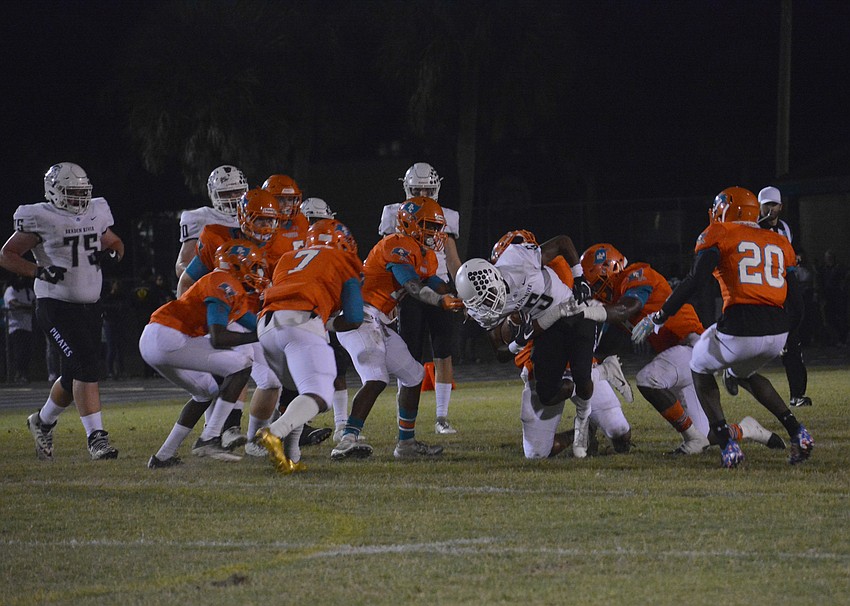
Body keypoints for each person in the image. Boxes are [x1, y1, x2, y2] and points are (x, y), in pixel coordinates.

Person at [631, 186, 813, 468]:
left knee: (699, 368)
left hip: (741, 325)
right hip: (778, 330)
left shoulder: (719, 233)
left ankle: (727, 444)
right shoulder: (779, 241)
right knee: (744, 373)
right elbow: (797, 302)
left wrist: (659, 316)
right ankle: (797, 431)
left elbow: (694, 281)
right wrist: (789, 333)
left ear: (729, 209)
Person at [579, 242, 785, 454]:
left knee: (648, 379)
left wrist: (594, 311)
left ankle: (691, 438)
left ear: (611, 268)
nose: (596, 291)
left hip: (691, 345)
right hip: (679, 357)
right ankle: (749, 429)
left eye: (597, 284)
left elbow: (630, 306)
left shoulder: (636, 274)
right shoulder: (612, 302)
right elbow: (604, 343)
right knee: (708, 435)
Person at [0, 162, 123, 460]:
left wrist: (113, 254)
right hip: (55, 305)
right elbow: (7, 254)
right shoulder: (42, 217)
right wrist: (38, 271)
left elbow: (115, 242)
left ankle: (42, 422)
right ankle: (97, 438)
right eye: (71, 192)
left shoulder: (95, 211)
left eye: (82, 192)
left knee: (73, 375)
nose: (79, 199)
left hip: (90, 306)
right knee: (85, 364)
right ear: (54, 192)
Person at [332, 196, 464, 460]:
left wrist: (466, 296)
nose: (435, 233)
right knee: (376, 377)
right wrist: (441, 301)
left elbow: (439, 284)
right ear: (409, 223)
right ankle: (347, 440)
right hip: (358, 316)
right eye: (428, 225)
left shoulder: (425, 255)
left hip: (378, 321)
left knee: (414, 375)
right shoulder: (396, 243)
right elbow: (413, 286)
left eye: (437, 227)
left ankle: (406, 444)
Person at [456, 231, 599, 458]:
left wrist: (579, 277)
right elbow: (501, 354)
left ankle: (585, 415)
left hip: (571, 311)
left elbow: (562, 241)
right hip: (546, 330)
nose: (491, 303)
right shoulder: (481, 309)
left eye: (490, 295)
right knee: (547, 394)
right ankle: (587, 388)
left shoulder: (516, 260)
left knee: (585, 380)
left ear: (494, 276)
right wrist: (518, 342)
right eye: (483, 302)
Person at [178, 188, 286, 455]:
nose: (265, 226)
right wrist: (189, 318)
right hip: (222, 317)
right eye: (259, 219)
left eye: (270, 220)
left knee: (272, 381)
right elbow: (188, 280)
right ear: (243, 217)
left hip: (253, 319)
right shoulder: (216, 236)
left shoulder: (279, 246)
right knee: (237, 368)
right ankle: (219, 432)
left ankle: (253, 440)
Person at [142, 239, 267, 467]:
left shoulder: (230, 287)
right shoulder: (223, 282)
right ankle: (210, 438)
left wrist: (281, 328)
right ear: (239, 266)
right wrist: (260, 336)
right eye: (255, 266)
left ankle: (163, 456)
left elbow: (258, 326)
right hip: (168, 336)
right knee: (242, 364)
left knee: (205, 390)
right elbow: (219, 337)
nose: (258, 273)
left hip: (157, 338)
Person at [254, 219, 364, 472]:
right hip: (302, 322)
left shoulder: (287, 257)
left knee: (297, 390)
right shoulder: (343, 260)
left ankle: (292, 457)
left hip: (266, 327)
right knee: (320, 394)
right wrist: (331, 324)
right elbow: (356, 317)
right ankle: (274, 431)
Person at [378, 163, 462, 434]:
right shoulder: (394, 213)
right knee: (408, 353)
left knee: (443, 350)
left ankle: (441, 416)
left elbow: (452, 260)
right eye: (418, 189)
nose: (423, 193)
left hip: (437, 285)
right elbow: (387, 254)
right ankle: (404, 414)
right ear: (407, 189)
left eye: (428, 188)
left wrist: (461, 290)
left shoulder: (447, 216)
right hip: (409, 287)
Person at [723, 186, 812, 407]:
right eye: (767, 205)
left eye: (774, 204)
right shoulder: (752, 227)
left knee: (793, 342)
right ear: (759, 207)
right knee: (754, 344)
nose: (771, 209)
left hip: (781, 290)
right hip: (758, 294)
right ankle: (733, 370)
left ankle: (797, 395)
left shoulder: (784, 228)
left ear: (780, 206)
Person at [259, 177, 331, 447]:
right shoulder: (262, 225)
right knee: (264, 376)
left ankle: (292, 432)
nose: (288, 205)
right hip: (271, 301)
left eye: (291, 199)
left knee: (292, 374)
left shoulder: (302, 222)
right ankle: (231, 430)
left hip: (300, 302)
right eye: (281, 199)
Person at [300, 198, 356, 443]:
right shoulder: (293, 247)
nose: (317, 226)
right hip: (305, 316)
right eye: (311, 221)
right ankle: (295, 425)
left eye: (321, 221)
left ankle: (341, 421)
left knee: (337, 366)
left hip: (318, 316)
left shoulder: (335, 249)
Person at [174, 165, 247, 278]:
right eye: (226, 193)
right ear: (213, 193)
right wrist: (202, 279)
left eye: (237, 192)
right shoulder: (201, 218)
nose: (233, 197)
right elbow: (183, 264)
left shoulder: (254, 215)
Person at [4, 274, 35, 383]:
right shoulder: (10, 290)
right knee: (19, 352)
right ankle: (18, 374)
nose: (21, 279)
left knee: (27, 352)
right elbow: (14, 304)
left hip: (27, 326)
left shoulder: (27, 291)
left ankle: (25, 374)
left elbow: (35, 302)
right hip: (15, 326)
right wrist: (28, 307)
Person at [816, 249, 848, 347]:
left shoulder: (839, 268)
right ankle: (834, 339)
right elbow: (820, 282)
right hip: (828, 296)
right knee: (829, 319)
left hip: (838, 296)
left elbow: (844, 277)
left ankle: (842, 339)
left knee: (840, 318)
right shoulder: (823, 269)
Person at [101, 279, 129, 380]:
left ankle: (121, 370)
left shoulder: (122, 297)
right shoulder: (108, 297)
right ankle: (110, 371)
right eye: (116, 284)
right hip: (110, 323)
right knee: (111, 348)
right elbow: (103, 307)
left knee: (120, 348)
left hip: (119, 323)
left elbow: (126, 307)